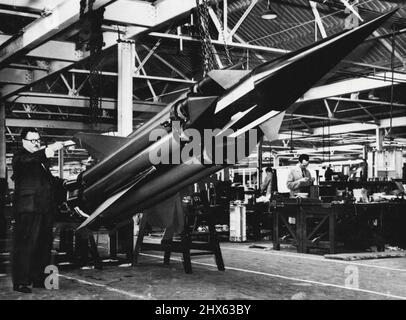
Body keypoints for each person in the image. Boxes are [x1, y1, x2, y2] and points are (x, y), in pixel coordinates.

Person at [11, 128, 64, 293]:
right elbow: (30, 161)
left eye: (38, 140)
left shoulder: (40, 160)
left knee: (44, 245)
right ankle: (21, 282)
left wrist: (66, 183)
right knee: (26, 245)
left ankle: (40, 279)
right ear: (24, 141)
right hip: (29, 208)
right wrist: (49, 149)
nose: (36, 143)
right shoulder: (19, 157)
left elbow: (47, 181)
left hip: (45, 208)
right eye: (32, 140)